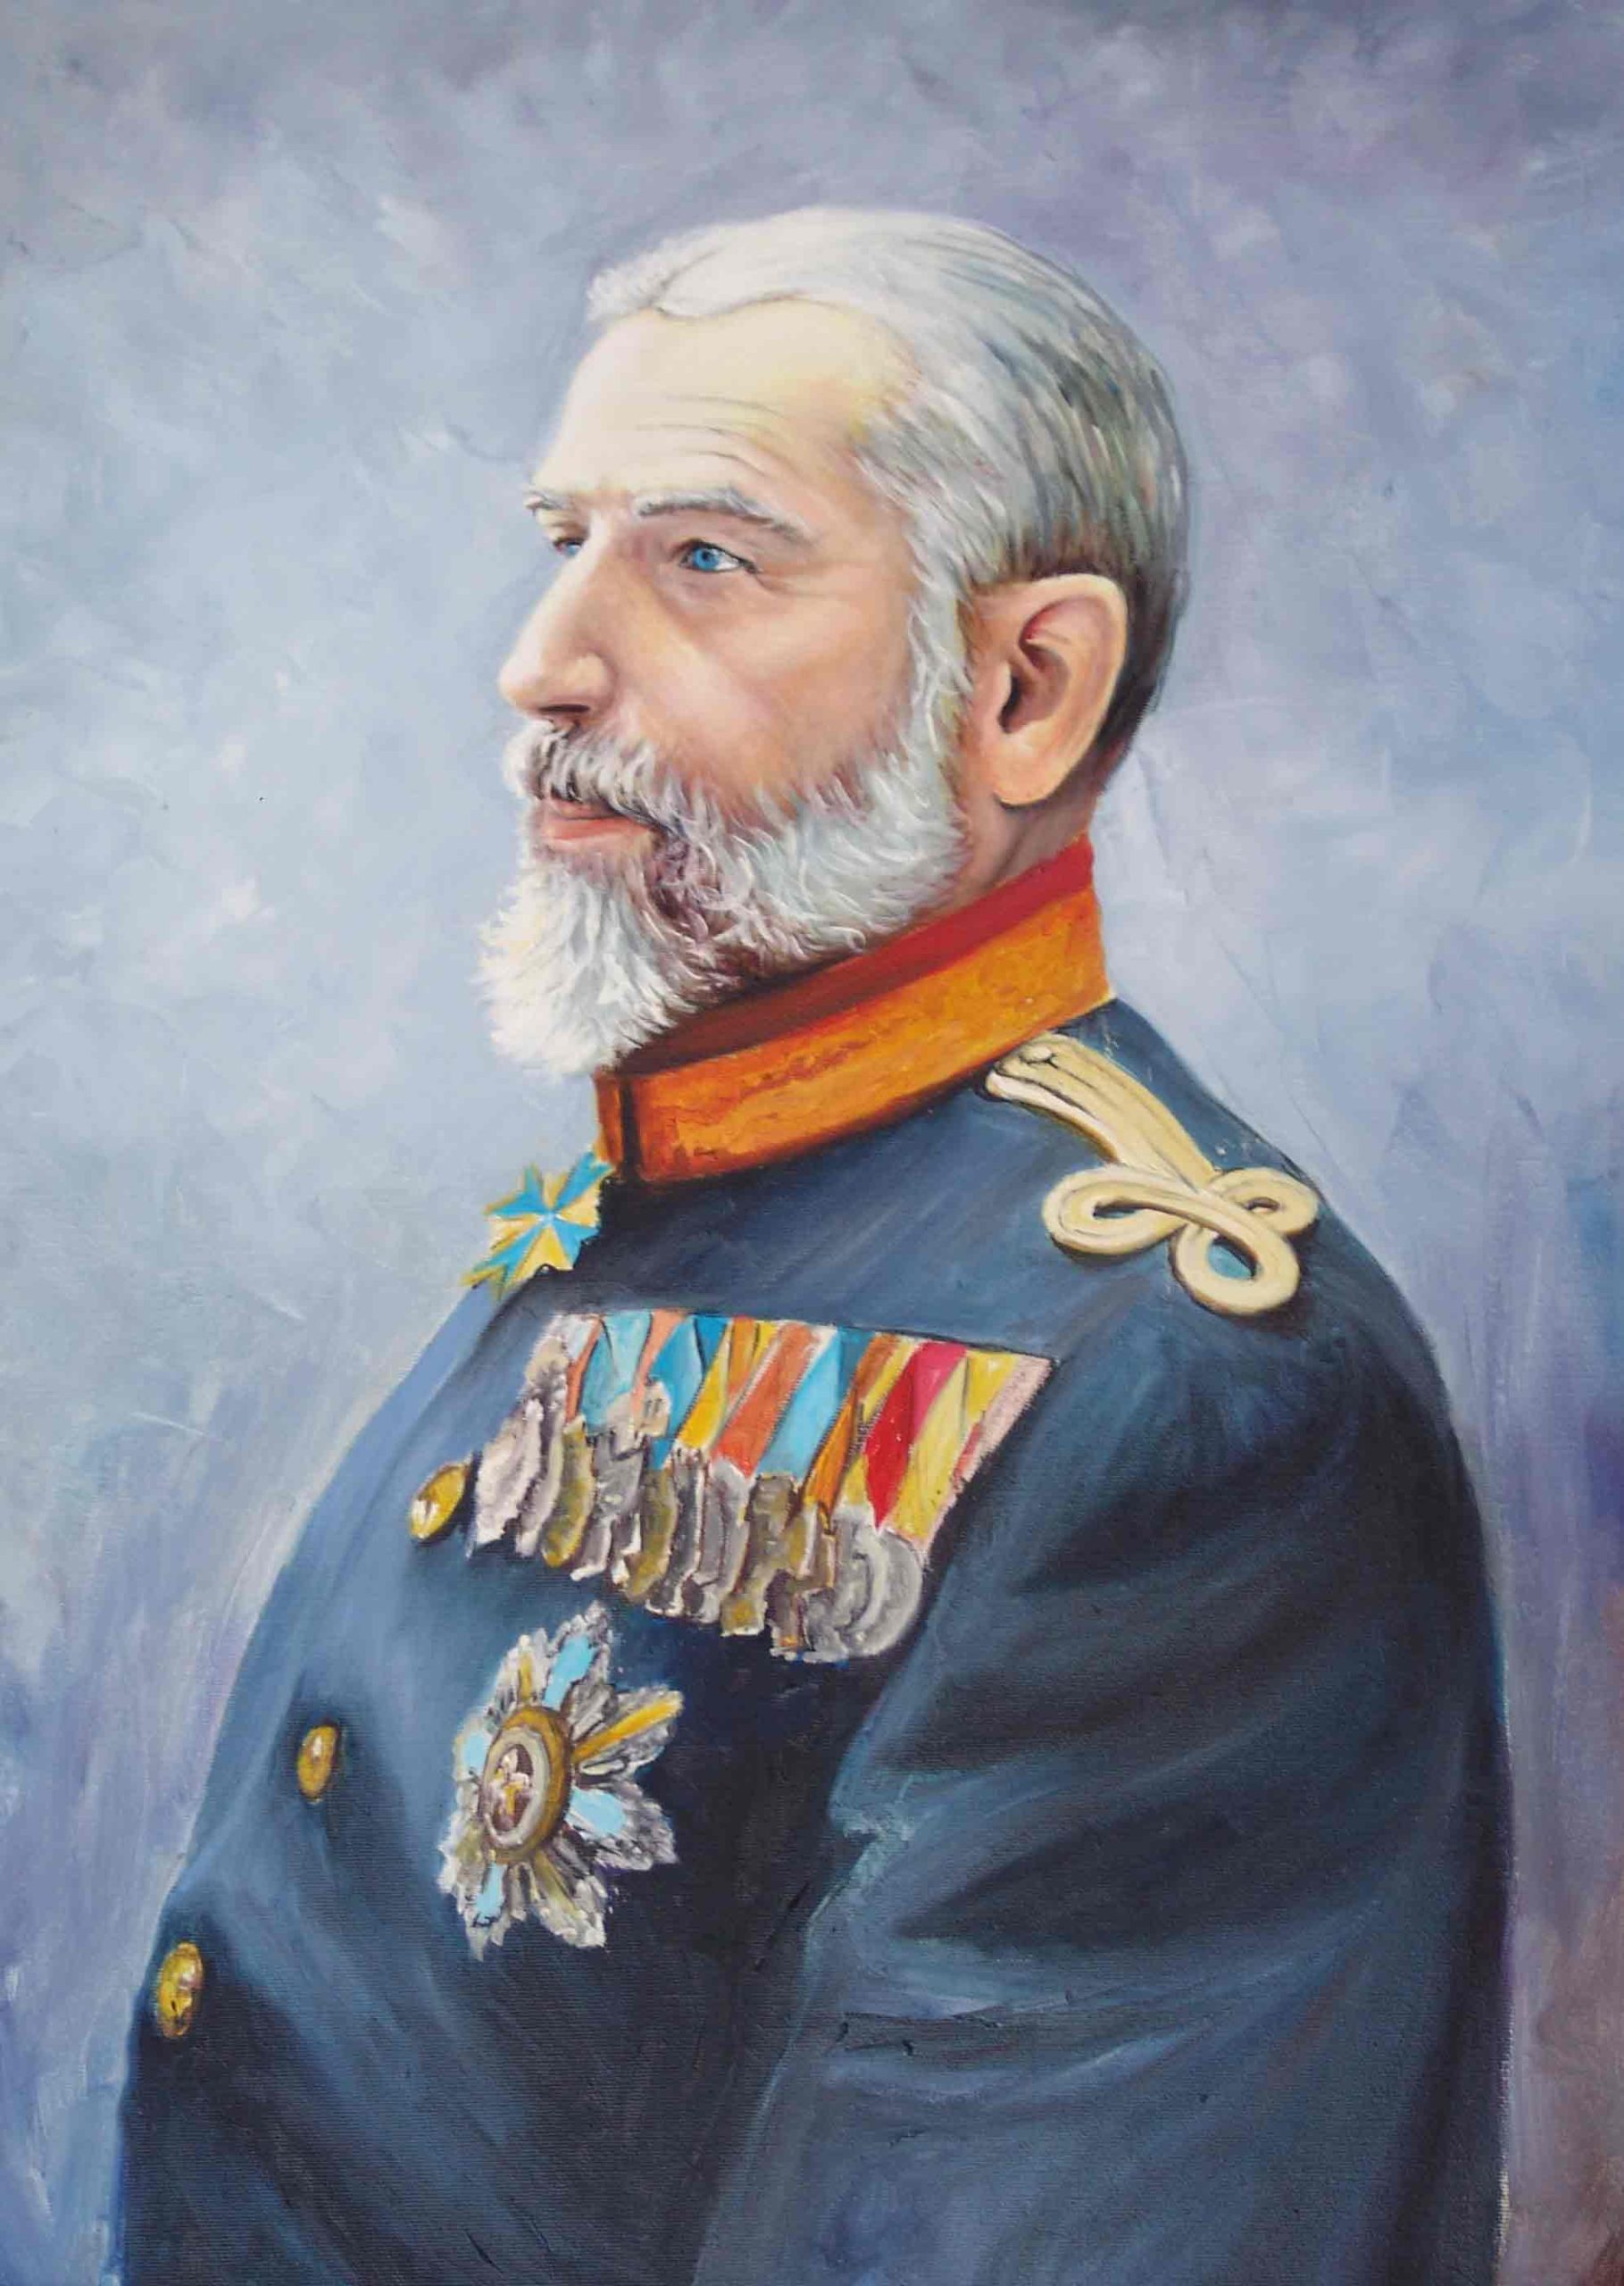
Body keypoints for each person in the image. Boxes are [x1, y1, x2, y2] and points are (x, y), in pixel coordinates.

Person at [116, 208, 1507, 2283]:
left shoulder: (1198, 1392)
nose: (542, 658)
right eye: (565, 538)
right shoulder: (664, 1181)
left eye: (699, 555)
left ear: (1025, 686)